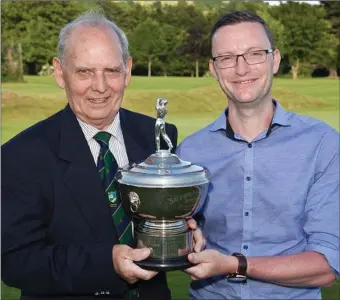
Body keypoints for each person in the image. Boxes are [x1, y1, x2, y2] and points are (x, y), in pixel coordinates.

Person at [1, 11, 204, 300]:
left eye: (111, 70)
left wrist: (184, 233)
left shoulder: (157, 137)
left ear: (128, 70)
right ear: (60, 73)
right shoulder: (21, 155)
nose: (100, 86)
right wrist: (106, 264)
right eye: (84, 72)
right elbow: (15, 262)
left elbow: (169, 216)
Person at [177, 10, 339, 300]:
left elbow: (327, 265)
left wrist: (235, 264)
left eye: (254, 54)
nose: (241, 69)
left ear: (274, 60)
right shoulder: (189, 151)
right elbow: (185, 238)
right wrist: (187, 239)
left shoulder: (323, 144)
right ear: (213, 69)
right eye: (227, 58)